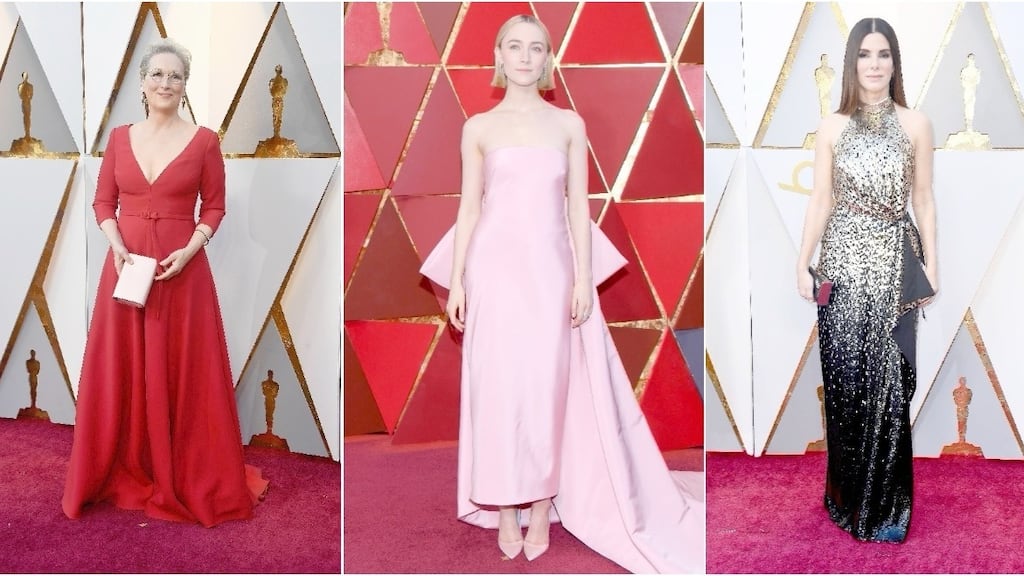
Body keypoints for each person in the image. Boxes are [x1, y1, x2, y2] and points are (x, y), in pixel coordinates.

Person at [420, 15, 704, 573]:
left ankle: (544, 503)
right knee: (498, 388)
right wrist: (457, 281)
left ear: (547, 58)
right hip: (493, 270)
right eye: (515, 47)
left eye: (536, 48)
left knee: (549, 387)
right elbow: (470, 208)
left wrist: (581, 279)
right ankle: (505, 506)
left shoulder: (568, 124)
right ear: (499, 56)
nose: (525, 57)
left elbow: (579, 207)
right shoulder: (478, 127)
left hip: (550, 270)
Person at [63, 38, 267, 527]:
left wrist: (190, 249)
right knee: (123, 370)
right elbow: (102, 203)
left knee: (182, 371)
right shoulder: (118, 138)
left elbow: (214, 207)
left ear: (185, 86)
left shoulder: (204, 141)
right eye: (157, 74)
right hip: (127, 269)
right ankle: (123, 467)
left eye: (175, 76)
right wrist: (116, 245)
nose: (165, 83)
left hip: (181, 273)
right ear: (142, 83)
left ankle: (182, 471)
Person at [796, 17, 938, 542]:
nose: (874, 65)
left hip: (893, 267)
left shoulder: (916, 123)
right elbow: (820, 200)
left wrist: (933, 266)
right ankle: (847, 496)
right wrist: (802, 260)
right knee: (845, 383)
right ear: (852, 63)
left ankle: (884, 510)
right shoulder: (832, 126)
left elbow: (922, 199)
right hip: (839, 266)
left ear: (894, 62)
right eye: (864, 55)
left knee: (887, 387)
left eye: (883, 55)